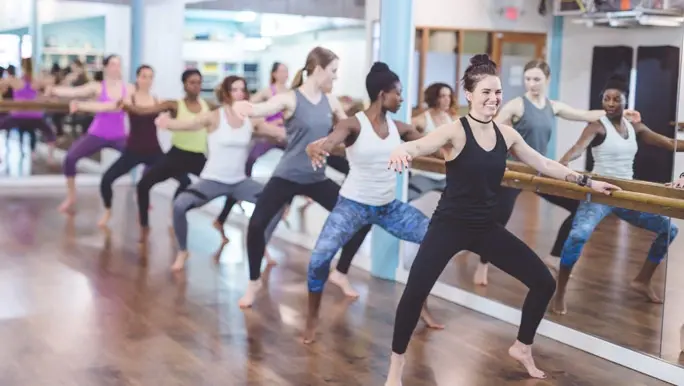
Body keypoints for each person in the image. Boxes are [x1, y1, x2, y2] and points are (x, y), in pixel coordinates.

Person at [383, 54, 620, 385]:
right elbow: (421, 145)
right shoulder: (455, 130)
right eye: (486, 92)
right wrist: (401, 151)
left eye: (497, 93)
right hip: (448, 225)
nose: (494, 99)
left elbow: (545, 164)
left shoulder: (506, 135)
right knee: (415, 291)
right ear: (469, 95)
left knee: (543, 282)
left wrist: (588, 182)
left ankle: (523, 346)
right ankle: (397, 364)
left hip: (484, 228)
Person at [302, 62, 443, 344]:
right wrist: (318, 147)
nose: (402, 99)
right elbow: (332, 142)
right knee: (318, 260)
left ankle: (421, 306)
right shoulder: (352, 124)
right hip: (352, 205)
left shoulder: (400, 128)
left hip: (388, 207)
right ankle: (311, 320)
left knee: (435, 241)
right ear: (382, 94)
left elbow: (435, 147)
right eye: (398, 93)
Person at [473, 59, 642, 286]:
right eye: (528, 79)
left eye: (536, 79)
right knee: (499, 219)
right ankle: (482, 264)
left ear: (547, 80)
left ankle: (553, 257)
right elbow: (489, 129)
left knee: (577, 208)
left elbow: (584, 115)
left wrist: (621, 111)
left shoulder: (553, 106)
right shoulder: (516, 105)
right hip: (514, 171)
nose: (531, 84)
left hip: (541, 169)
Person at [231, 47, 372, 309]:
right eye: (333, 71)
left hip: (316, 178)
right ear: (318, 70)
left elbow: (350, 128)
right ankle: (253, 282)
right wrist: (245, 107)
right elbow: (263, 107)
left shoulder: (331, 101)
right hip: (286, 176)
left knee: (362, 219)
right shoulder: (291, 99)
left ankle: (340, 273)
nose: (336, 77)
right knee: (256, 225)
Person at [552, 74, 680, 314]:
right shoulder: (597, 126)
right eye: (606, 99)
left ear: (626, 101)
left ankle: (642, 280)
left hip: (625, 195)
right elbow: (578, 149)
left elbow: (668, 143)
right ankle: (560, 291)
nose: (610, 103)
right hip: (598, 195)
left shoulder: (636, 128)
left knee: (669, 229)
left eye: (616, 99)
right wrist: (561, 165)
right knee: (579, 235)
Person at [154, 75, 286, 271]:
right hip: (212, 181)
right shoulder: (215, 116)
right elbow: (189, 124)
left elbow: (278, 133)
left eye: (242, 89)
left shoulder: (251, 119)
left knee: (278, 204)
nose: (240, 93)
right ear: (226, 93)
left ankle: (261, 246)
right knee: (180, 205)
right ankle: (183, 251)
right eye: (234, 89)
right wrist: (167, 123)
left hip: (240, 182)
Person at [125, 69, 215, 242]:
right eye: (192, 82)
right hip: (176, 156)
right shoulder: (174, 105)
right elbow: (146, 111)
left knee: (225, 186)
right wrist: (128, 106)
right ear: (184, 85)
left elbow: (228, 111)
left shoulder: (208, 105)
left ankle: (179, 212)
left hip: (198, 158)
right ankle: (144, 225)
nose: (196, 86)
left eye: (199, 82)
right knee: (143, 185)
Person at [69, 65, 164, 227]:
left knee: (183, 181)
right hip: (133, 150)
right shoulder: (128, 100)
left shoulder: (158, 101)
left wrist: (168, 122)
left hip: (154, 151)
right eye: (144, 76)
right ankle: (108, 210)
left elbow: (173, 113)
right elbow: (104, 106)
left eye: (150, 77)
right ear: (137, 79)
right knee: (106, 180)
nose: (147, 80)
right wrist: (81, 106)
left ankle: (167, 216)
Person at [45, 54, 136, 213]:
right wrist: (53, 89)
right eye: (113, 64)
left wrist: (83, 106)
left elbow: (122, 106)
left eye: (119, 64)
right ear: (106, 67)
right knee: (70, 158)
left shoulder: (128, 88)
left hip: (119, 136)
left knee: (145, 157)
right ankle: (71, 196)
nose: (117, 68)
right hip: (97, 134)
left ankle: (142, 195)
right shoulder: (97, 86)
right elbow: (74, 92)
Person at [0, 58, 57, 162]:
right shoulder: (36, 81)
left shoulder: (15, 81)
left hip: (18, 115)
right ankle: (50, 158)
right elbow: (51, 81)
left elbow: (2, 84)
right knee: (50, 133)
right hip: (35, 116)